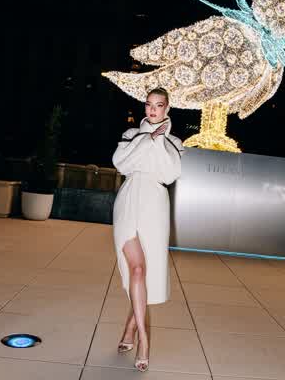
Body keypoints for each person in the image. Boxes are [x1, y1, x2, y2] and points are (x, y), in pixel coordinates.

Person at [111, 87, 184, 372]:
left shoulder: (174, 141)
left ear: (167, 108)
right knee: (137, 270)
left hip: (155, 204)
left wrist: (159, 140)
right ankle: (144, 339)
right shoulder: (131, 134)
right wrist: (148, 139)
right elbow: (120, 163)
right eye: (149, 104)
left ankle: (130, 329)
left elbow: (170, 174)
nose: (153, 109)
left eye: (159, 105)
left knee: (144, 273)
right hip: (128, 200)